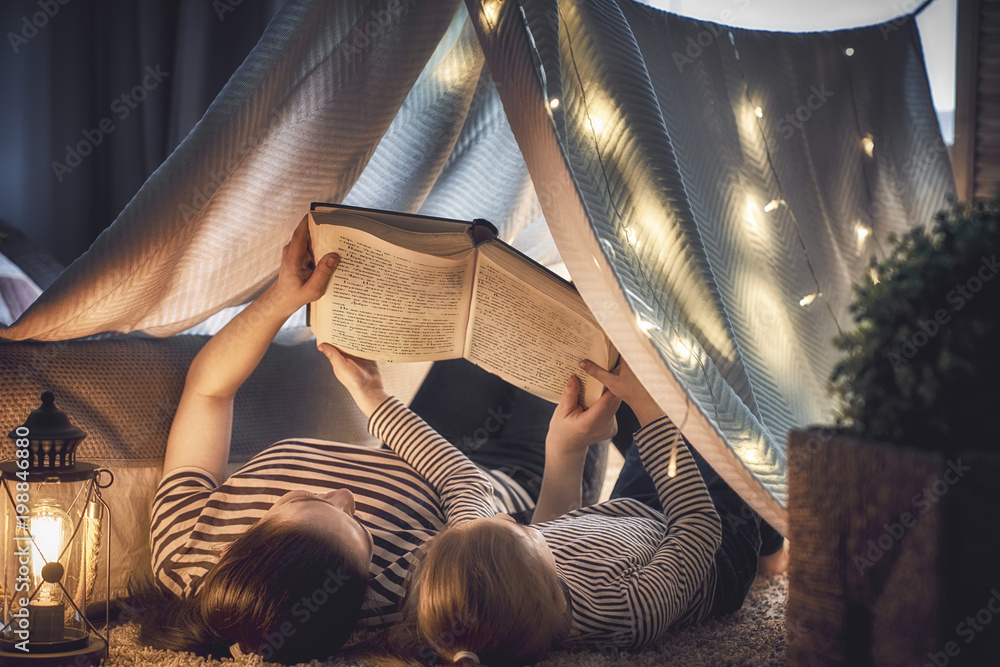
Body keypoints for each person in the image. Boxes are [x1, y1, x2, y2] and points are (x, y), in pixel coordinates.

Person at [131, 219, 602, 664]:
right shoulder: (396, 597)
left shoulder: (185, 555)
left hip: (418, 436)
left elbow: (208, 393)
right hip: (518, 476)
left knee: (492, 296)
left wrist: (282, 298)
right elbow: (470, 490)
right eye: (359, 527)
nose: (344, 494)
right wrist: (374, 398)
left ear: (244, 542)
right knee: (585, 324)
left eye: (305, 499)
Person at [396, 358, 730, 666]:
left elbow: (546, 529)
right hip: (713, 543)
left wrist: (569, 444)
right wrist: (646, 405)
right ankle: (769, 550)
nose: (509, 516)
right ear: (557, 595)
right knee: (716, 403)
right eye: (526, 529)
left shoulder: (529, 583)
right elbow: (698, 525)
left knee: (661, 397)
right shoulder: (631, 611)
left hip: (628, 516)